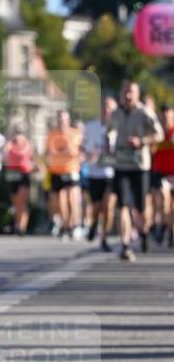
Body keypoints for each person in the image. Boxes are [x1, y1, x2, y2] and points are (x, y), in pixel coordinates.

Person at [108, 80, 163, 260]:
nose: (128, 96)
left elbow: (159, 134)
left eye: (131, 92)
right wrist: (109, 142)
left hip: (140, 165)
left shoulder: (145, 112)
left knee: (141, 206)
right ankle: (125, 244)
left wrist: (142, 141)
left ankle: (145, 231)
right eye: (125, 92)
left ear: (137, 94)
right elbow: (109, 131)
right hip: (121, 165)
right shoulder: (115, 114)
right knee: (122, 205)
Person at [82, 96, 117, 251]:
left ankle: (105, 238)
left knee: (108, 207)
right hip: (95, 173)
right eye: (104, 107)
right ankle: (94, 223)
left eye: (110, 108)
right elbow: (82, 147)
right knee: (96, 207)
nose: (107, 110)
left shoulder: (118, 128)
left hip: (111, 173)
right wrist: (90, 155)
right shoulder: (90, 126)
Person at [45, 110, 83, 240]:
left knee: (72, 199)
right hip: (56, 171)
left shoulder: (76, 134)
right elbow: (47, 152)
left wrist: (73, 152)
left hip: (71, 170)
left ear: (68, 120)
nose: (62, 122)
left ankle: (75, 224)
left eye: (64, 119)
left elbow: (82, 151)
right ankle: (66, 226)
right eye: (60, 119)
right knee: (60, 202)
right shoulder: (52, 134)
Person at [3, 125, 34, 235]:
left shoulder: (28, 144)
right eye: (16, 132)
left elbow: (33, 158)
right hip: (12, 174)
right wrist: (9, 142)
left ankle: (22, 226)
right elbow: (4, 155)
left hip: (24, 174)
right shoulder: (10, 144)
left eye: (20, 132)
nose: (18, 135)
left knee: (22, 201)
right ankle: (17, 224)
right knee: (15, 202)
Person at [151, 104, 174, 246]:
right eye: (164, 115)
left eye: (169, 115)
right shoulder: (157, 131)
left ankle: (170, 231)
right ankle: (163, 226)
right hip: (161, 172)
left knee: (172, 207)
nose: (166, 118)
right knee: (164, 201)